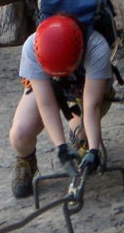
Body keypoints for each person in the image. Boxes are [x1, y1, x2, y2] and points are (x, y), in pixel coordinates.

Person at [9, 14, 114, 198]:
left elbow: (92, 105)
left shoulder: (96, 47)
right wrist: (61, 148)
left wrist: (94, 151)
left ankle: (81, 145)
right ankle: (26, 161)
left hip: (84, 86)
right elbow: (46, 103)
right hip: (52, 87)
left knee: (81, 134)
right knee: (20, 135)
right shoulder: (33, 47)